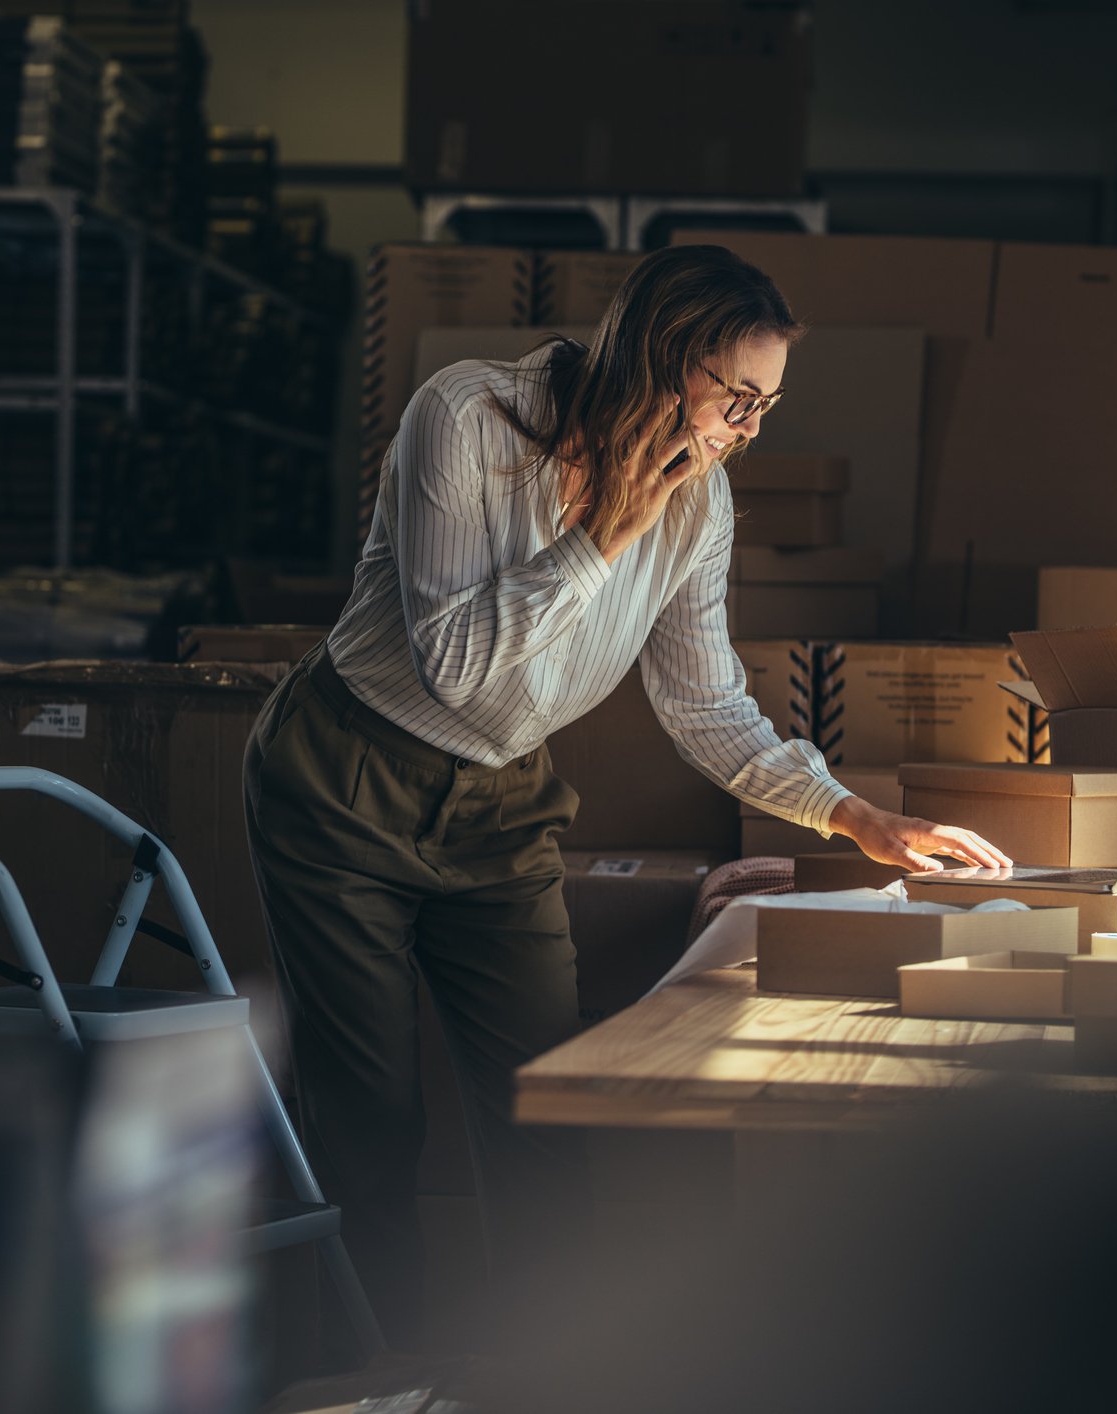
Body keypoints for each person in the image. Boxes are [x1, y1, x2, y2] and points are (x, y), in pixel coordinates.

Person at [243, 244, 1011, 1344]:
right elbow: (458, 665)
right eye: (737, 396)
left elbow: (706, 705)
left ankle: (545, 1377)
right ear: (665, 356)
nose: (750, 429)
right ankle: (386, 1379)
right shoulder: (465, 419)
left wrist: (855, 814)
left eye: (767, 405)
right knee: (371, 1128)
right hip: (341, 778)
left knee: (548, 1107)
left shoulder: (702, 508)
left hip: (501, 802)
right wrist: (603, 536)